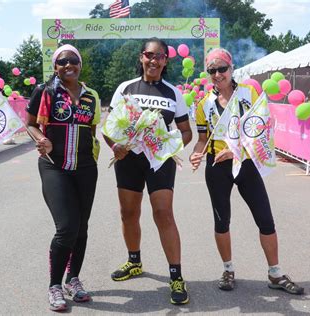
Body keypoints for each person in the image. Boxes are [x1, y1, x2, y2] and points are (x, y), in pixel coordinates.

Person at [189, 48, 304, 295]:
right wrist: (196, 153)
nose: (217, 74)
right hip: (217, 166)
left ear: (231, 69)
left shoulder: (248, 93)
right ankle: (228, 270)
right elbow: (202, 139)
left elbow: (260, 129)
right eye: (212, 70)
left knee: (265, 219)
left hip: (246, 162)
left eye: (222, 69)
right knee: (221, 221)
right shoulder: (203, 104)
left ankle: (275, 273)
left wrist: (235, 150)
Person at [103, 37, 192, 305]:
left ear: (166, 60)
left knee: (163, 213)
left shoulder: (173, 93)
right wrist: (115, 146)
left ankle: (176, 276)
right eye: (149, 55)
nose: (153, 60)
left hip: (159, 162)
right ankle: (134, 261)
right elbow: (110, 128)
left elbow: (185, 131)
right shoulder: (125, 88)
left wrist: (170, 147)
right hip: (128, 159)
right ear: (141, 57)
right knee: (129, 213)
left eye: (159, 56)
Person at [25, 44, 101, 311]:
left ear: (80, 65)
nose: (68, 65)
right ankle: (55, 285)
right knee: (67, 226)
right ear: (55, 66)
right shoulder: (44, 92)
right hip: (54, 166)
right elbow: (30, 123)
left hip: (85, 168)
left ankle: (74, 279)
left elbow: (92, 130)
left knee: (82, 228)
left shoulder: (91, 96)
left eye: (73, 61)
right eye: (62, 61)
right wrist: (41, 138)